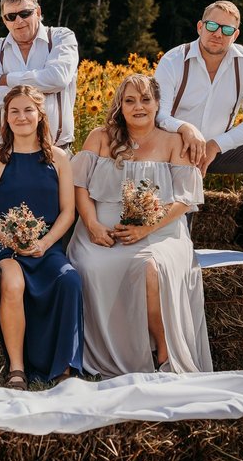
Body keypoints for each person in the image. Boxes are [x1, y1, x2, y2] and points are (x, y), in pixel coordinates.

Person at [68, 74, 212, 377]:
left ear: (158, 104)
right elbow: (79, 185)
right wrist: (92, 225)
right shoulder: (99, 137)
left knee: (150, 268)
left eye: (146, 100)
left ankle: (163, 351)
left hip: (161, 232)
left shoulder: (174, 142)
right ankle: (115, 353)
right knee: (92, 267)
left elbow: (185, 199)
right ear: (120, 105)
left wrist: (145, 229)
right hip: (100, 235)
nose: (138, 107)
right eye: (130, 101)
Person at [154, 0, 243, 259]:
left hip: (219, 149)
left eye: (227, 29)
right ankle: (178, 245)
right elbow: (158, 114)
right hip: (177, 147)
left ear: (235, 35)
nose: (218, 34)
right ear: (200, 27)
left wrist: (216, 144)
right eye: (212, 26)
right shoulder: (173, 60)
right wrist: (186, 130)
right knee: (175, 250)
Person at [0, 85, 83, 387]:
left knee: (69, 281)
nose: (21, 117)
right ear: (5, 117)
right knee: (13, 283)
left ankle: (63, 365)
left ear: (40, 114)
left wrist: (45, 243)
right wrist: (12, 241)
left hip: (45, 246)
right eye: (14, 111)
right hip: (3, 245)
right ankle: (17, 368)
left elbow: (68, 212)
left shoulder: (59, 158)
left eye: (28, 110)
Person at [0, 0, 78, 149]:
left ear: (38, 12)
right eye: (11, 16)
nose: (19, 21)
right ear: (4, 20)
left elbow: (58, 79)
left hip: (55, 150)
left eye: (25, 13)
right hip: (7, 151)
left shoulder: (61, 37)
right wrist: (42, 86)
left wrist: (7, 79)